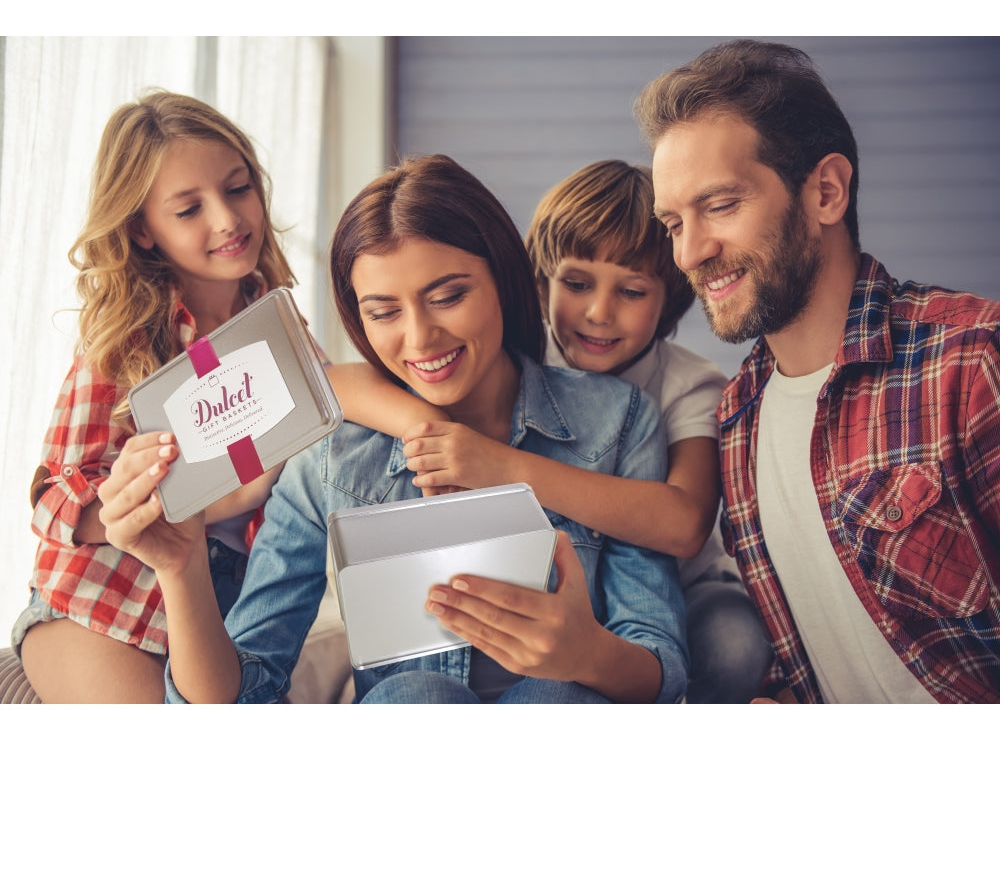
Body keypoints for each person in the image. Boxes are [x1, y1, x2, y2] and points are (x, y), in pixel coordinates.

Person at [99, 153, 689, 704]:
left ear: (507, 282)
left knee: (557, 694)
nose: (420, 339)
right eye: (383, 312)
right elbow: (243, 697)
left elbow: (662, 663)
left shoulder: (619, 420)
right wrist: (181, 571)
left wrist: (588, 655)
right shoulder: (330, 459)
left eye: (449, 296)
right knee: (415, 697)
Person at [634, 39, 1000, 703]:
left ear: (826, 192)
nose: (690, 252)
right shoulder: (737, 421)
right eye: (672, 223)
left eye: (719, 206)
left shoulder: (972, 362)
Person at [348, 160, 772, 702]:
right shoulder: (520, 354)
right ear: (541, 279)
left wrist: (504, 467)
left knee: (733, 645)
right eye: (576, 283)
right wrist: (421, 425)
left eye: (633, 292)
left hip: (685, 586)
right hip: (565, 593)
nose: (598, 312)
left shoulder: (688, 385)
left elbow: (685, 523)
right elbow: (340, 385)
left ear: (672, 301)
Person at [12, 91, 297, 703]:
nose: (227, 219)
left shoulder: (278, 325)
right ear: (142, 229)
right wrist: (197, 504)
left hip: (218, 615)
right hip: (100, 607)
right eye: (190, 208)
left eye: (239, 188)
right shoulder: (124, 338)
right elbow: (52, 502)